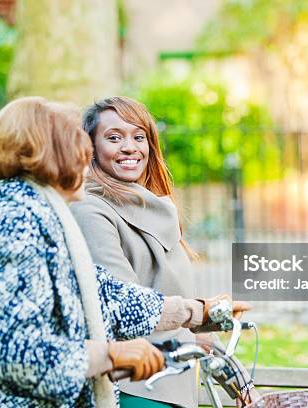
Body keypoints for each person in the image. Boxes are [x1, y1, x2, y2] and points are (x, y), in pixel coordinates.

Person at [0, 96, 249, 408]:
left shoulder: (42, 213)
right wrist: (109, 354)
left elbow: (106, 296)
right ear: (52, 155)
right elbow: (17, 352)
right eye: (79, 148)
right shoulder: (18, 220)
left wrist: (198, 310)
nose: (88, 162)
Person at [72, 96, 257, 408]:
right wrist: (200, 312)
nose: (130, 147)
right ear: (90, 149)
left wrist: (238, 378)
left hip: (176, 381)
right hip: (135, 387)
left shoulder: (157, 206)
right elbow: (125, 308)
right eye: (114, 137)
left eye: (139, 136)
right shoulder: (91, 211)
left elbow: (169, 308)